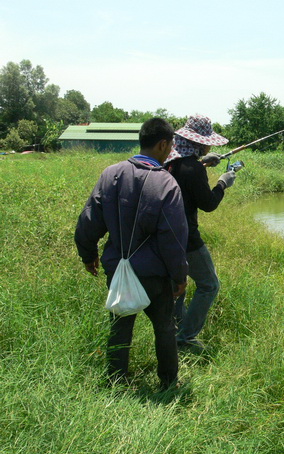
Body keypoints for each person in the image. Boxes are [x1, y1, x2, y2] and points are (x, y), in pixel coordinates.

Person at [75, 117, 189, 390]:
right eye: (171, 144)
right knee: (164, 326)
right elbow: (173, 238)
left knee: (120, 325)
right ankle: (168, 383)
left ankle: (116, 381)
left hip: (119, 269)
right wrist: (180, 275)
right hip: (154, 274)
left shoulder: (110, 174)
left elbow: (89, 220)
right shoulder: (166, 184)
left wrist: (87, 254)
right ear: (163, 144)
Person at [164, 114, 236, 351]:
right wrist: (223, 183)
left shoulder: (169, 161)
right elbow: (208, 204)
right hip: (187, 237)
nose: (210, 145)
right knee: (209, 285)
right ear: (199, 141)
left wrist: (204, 162)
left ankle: (176, 328)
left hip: (164, 236)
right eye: (207, 142)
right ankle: (185, 338)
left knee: (178, 284)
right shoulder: (193, 168)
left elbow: (184, 174)